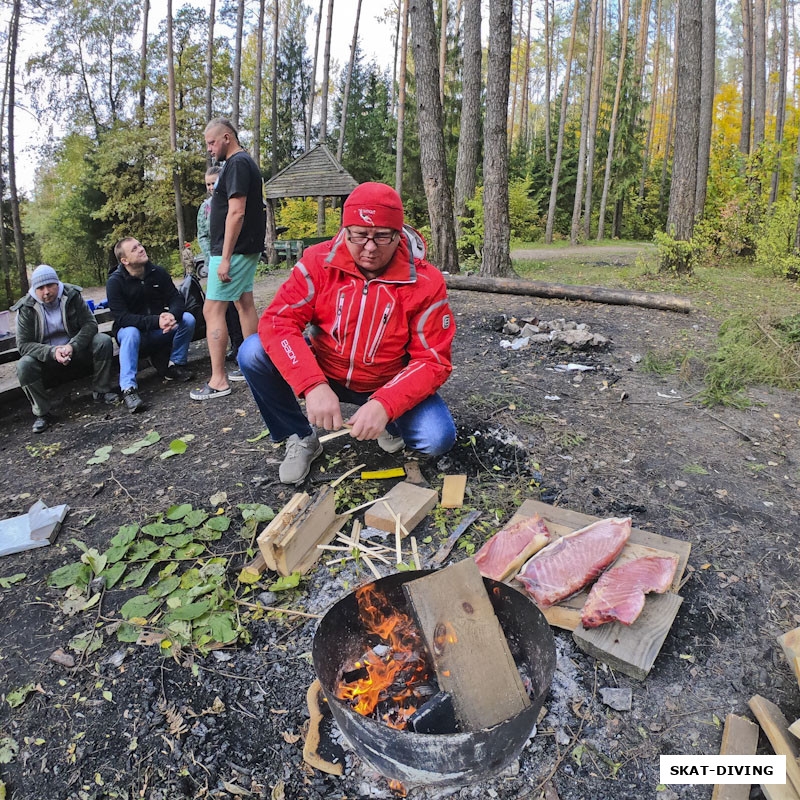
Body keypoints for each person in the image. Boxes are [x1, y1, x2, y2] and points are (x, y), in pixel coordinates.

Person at [238, 182, 457, 485]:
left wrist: (386, 404)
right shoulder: (318, 261)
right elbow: (278, 322)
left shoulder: (425, 282)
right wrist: (312, 384)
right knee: (253, 351)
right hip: (326, 370)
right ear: (345, 229)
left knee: (437, 439)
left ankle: (389, 424)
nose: (369, 247)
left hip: (386, 378)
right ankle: (300, 436)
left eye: (382, 236)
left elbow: (433, 361)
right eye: (359, 234)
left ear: (398, 234)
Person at [190, 118, 265, 401]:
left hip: (233, 251)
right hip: (241, 249)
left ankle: (218, 379)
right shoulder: (241, 163)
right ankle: (253, 365)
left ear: (226, 138)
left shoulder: (236, 164)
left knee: (212, 311)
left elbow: (237, 212)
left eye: (211, 142)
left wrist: (224, 258)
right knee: (244, 302)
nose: (209, 149)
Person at [12, 264, 117, 433]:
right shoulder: (26, 307)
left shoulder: (72, 295)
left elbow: (90, 325)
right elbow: (24, 345)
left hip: (76, 350)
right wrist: (52, 352)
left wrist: (72, 346)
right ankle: (43, 413)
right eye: (40, 288)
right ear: (34, 289)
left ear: (57, 284)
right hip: (46, 359)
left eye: (50, 285)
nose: (46, 292)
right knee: (23, 365)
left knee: (103, 341)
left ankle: (102, 390)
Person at [107, 238, 195, 412]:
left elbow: (175, 298)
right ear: (124, 260)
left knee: (187, 319)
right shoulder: (115, 282)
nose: (141, 249)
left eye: (140, 245)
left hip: (159, 330)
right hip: (133, 336)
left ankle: (175, 365)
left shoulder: (157, 272)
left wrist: (171, 315)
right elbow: (122, 318)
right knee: (131, 332)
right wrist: (156, 321)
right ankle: (129, 389)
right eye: (134, 249)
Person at [197, 165, 244, 363]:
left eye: (214, 182)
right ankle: (232, 346)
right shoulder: (205, 208)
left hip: (236, 258)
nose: (210, 187)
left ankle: (244, 346)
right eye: (207, 184)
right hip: (215, 260)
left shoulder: (233, 202)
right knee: (220, 309)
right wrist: (213, 258)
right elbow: (203, 235)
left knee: (241, 303)